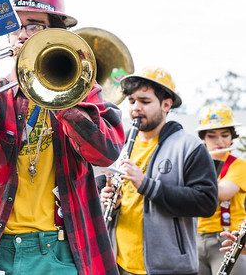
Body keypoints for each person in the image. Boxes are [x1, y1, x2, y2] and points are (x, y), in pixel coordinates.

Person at [0, 0, 126, 275]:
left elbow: (107, 152)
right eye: (15, 26)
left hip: (61, 249)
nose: (23, 35)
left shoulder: (85, 91)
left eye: (34, 25)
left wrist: (63, 97)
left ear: (56, 33)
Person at [98, 66, 218, 275]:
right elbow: (101, 189)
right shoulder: (119, 145)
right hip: (120, 265)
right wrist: (107, 199)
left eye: (145, 102)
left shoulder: (190, 146)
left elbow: (206, 202)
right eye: (132, 101)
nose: (136, 108)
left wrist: (147, 185)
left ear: (166, 105)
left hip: (170, 268)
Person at [195, 104, 246, 274]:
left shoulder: (240, 165)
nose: (220, 142)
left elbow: (222, 192)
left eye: (225, 135)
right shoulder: (194, 165)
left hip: (226, 238)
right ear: (204, 138)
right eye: (212, 136)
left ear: (232, 137)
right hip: (195, 237)